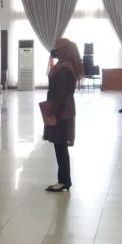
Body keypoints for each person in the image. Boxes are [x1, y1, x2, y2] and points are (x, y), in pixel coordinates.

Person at [43, 39, 81, 192]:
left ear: (64, 50)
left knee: (60, 145)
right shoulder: (65, 65)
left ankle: (64, 181)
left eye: (57, 48)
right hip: (63, 109)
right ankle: (64, 180)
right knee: (60, 146)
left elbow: (60, 94)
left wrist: (53, 114)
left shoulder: (64, 68)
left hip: (61, 111)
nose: (54, 50)